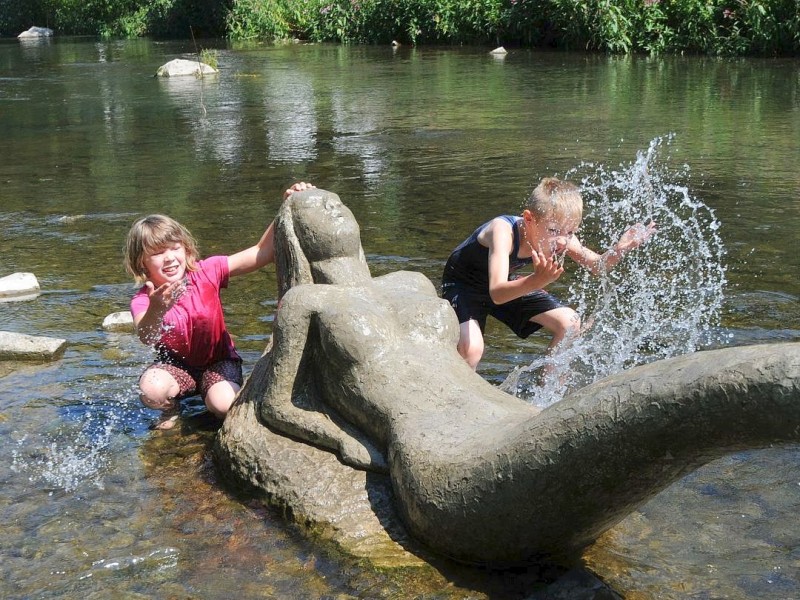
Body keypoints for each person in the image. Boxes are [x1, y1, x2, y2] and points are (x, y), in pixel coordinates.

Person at [123, 181, 315, 429]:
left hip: (218, 361)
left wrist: (287, 204)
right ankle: (172, 409)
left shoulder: (207, 271)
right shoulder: (143, 299)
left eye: (175, 248)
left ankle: (213, 397)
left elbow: (261, 253)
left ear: (187, 249)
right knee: (152, 390)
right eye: (158, 253)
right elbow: (147, 337)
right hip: (176, 366)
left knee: (224, 407)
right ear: (141, 264)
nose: (170, 257)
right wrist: (157, 308)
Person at [441, 177, 657, 370]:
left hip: (505, 283)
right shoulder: (503, 231)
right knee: (472, 350)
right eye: (554, 230)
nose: (563, 240)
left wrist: (620, 249)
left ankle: (550, 392)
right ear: (528, 219)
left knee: (570, 323)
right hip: (464, 286)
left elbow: (597, 266)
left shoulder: (561, 237)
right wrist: (536, 280)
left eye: (570, 232)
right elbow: (497, 293)